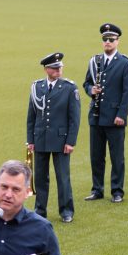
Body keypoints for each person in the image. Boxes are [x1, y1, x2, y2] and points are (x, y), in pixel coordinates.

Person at [83, 23, 128, 203]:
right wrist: (91, 90)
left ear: (117, 41)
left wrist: (121, 114)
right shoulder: (94, 61)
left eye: (111, 39)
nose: (107, 42)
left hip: (114, 118)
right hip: (96, 117)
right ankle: (97, 189)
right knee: (96, 156)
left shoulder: (125, 63)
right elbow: (86, 83)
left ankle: (117, 191)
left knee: (116, 157)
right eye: (105, 39)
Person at [27, 52, 80, 223]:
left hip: (61, 139)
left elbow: (74, 117)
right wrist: (31, 140)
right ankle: (40, 210)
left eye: (60, 67)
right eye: (54, 68)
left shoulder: (69, 88)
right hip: (40, 138)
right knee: (41, 178)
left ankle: (66, 210)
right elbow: (31, 116)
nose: (58, 70)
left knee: (63, 177)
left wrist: (70, 141)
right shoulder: (36, 87)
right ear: (46, 69)